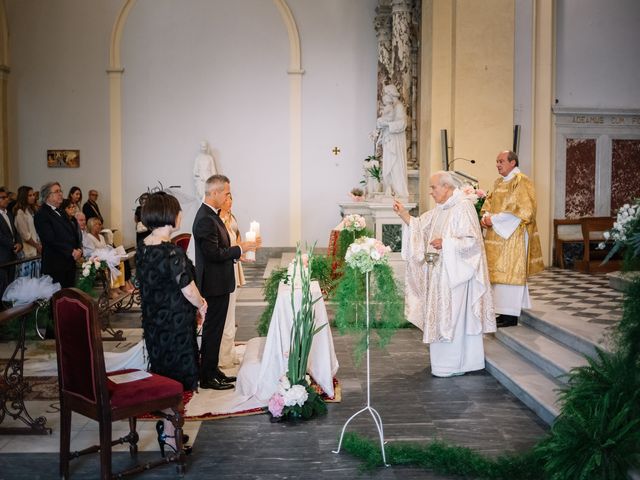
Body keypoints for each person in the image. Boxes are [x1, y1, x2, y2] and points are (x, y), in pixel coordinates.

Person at [394, 171, 496, 377]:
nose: (431, 192)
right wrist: (404, 214)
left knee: (452, 321)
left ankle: (456, 364)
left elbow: (473, 242)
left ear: (447, 187)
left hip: (456, 277)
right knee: (441, 318)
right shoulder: (441, 209)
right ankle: (443, 364)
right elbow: (420, 227)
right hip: (440, 274)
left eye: (433, 187)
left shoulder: (464, 207)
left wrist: (446, 243)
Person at [137, 191, 206, 456]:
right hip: (176, 326)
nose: (181, 215)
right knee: (176, 381)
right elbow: (187, 288)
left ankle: (168, 426)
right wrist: (202, 305)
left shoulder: (143, 248)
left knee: (164, 376)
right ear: (169, 215)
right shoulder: (171, 252)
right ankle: (169, 434)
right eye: (178, 211)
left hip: (155, 325)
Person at [192, 174, 256, 390]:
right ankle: (207, 377)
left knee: (215, 330)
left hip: (219, 281)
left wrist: (238, 253)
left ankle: (213, 371)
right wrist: (241, 248)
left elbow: (220, 249)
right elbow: (212, 253)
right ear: (215, 193)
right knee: (212, 330)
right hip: (213, 283)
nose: (229, 196)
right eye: (227, 193)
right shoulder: (204, 219)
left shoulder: (213, 216)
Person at [480, 150, 544, 327]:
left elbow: (523, 210)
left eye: (501, 161)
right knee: (498, 275)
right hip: (496, 237)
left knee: (510, 273)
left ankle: (511, 316)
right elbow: (489, 203)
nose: (497, 164)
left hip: (513, 235)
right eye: (496, 161)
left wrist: (493, 219)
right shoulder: (499, 182)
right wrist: (485, 216)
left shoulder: (521, 181)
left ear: (512, 163)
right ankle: (503, 311)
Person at [34, 182, 82, 288]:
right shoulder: (42, 214)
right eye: (56, 191)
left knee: (69, 296)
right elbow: (50, 239)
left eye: (60, 191)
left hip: (69, 262)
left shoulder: (61, 212)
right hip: (55, 264)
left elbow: (73, 232)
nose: (60, 194)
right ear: (47, 196)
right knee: (58, 299)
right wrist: (71, 251)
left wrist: (78, 248)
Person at [218, 193, 246, 368]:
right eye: (227, 199)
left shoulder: (231, 217)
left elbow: (238, 239)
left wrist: (245, 251)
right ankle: (223, 356)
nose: (230, 202)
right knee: (225, 315)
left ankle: (228, 351)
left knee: (231, 312)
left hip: (233, 266)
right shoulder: (216, 221)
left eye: (231, 199)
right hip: (223, 268)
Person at [376, 84, 409, 198]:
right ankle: (390, 189)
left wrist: (386, 124)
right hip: (389, 139)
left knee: (395, 165)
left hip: (396, 141)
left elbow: (402, 124)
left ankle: (398, 190)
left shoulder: (399, 106)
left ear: (390, 94)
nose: (385, 96)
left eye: (386, 93)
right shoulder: (391, 107)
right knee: (389, 164)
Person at [13, 186, 42, 278]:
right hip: (27, 251)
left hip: (35, 250)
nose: (33, 197)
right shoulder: (20, 213)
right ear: (23, 197)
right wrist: (37, 246)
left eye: (33, 195)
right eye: (30, 195)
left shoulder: (30, 210)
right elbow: (25, 235)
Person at [0, 186, 22, 298]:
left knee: (11, 285)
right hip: (2, 257)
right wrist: (13, 245)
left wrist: (19, 243)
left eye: (7, 197)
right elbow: (1, 237)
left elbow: (15, 231)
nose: (6, 199)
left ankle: (10, 311)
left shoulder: (9, 213)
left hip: (12, 256)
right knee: (2, 288)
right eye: (2, 197)